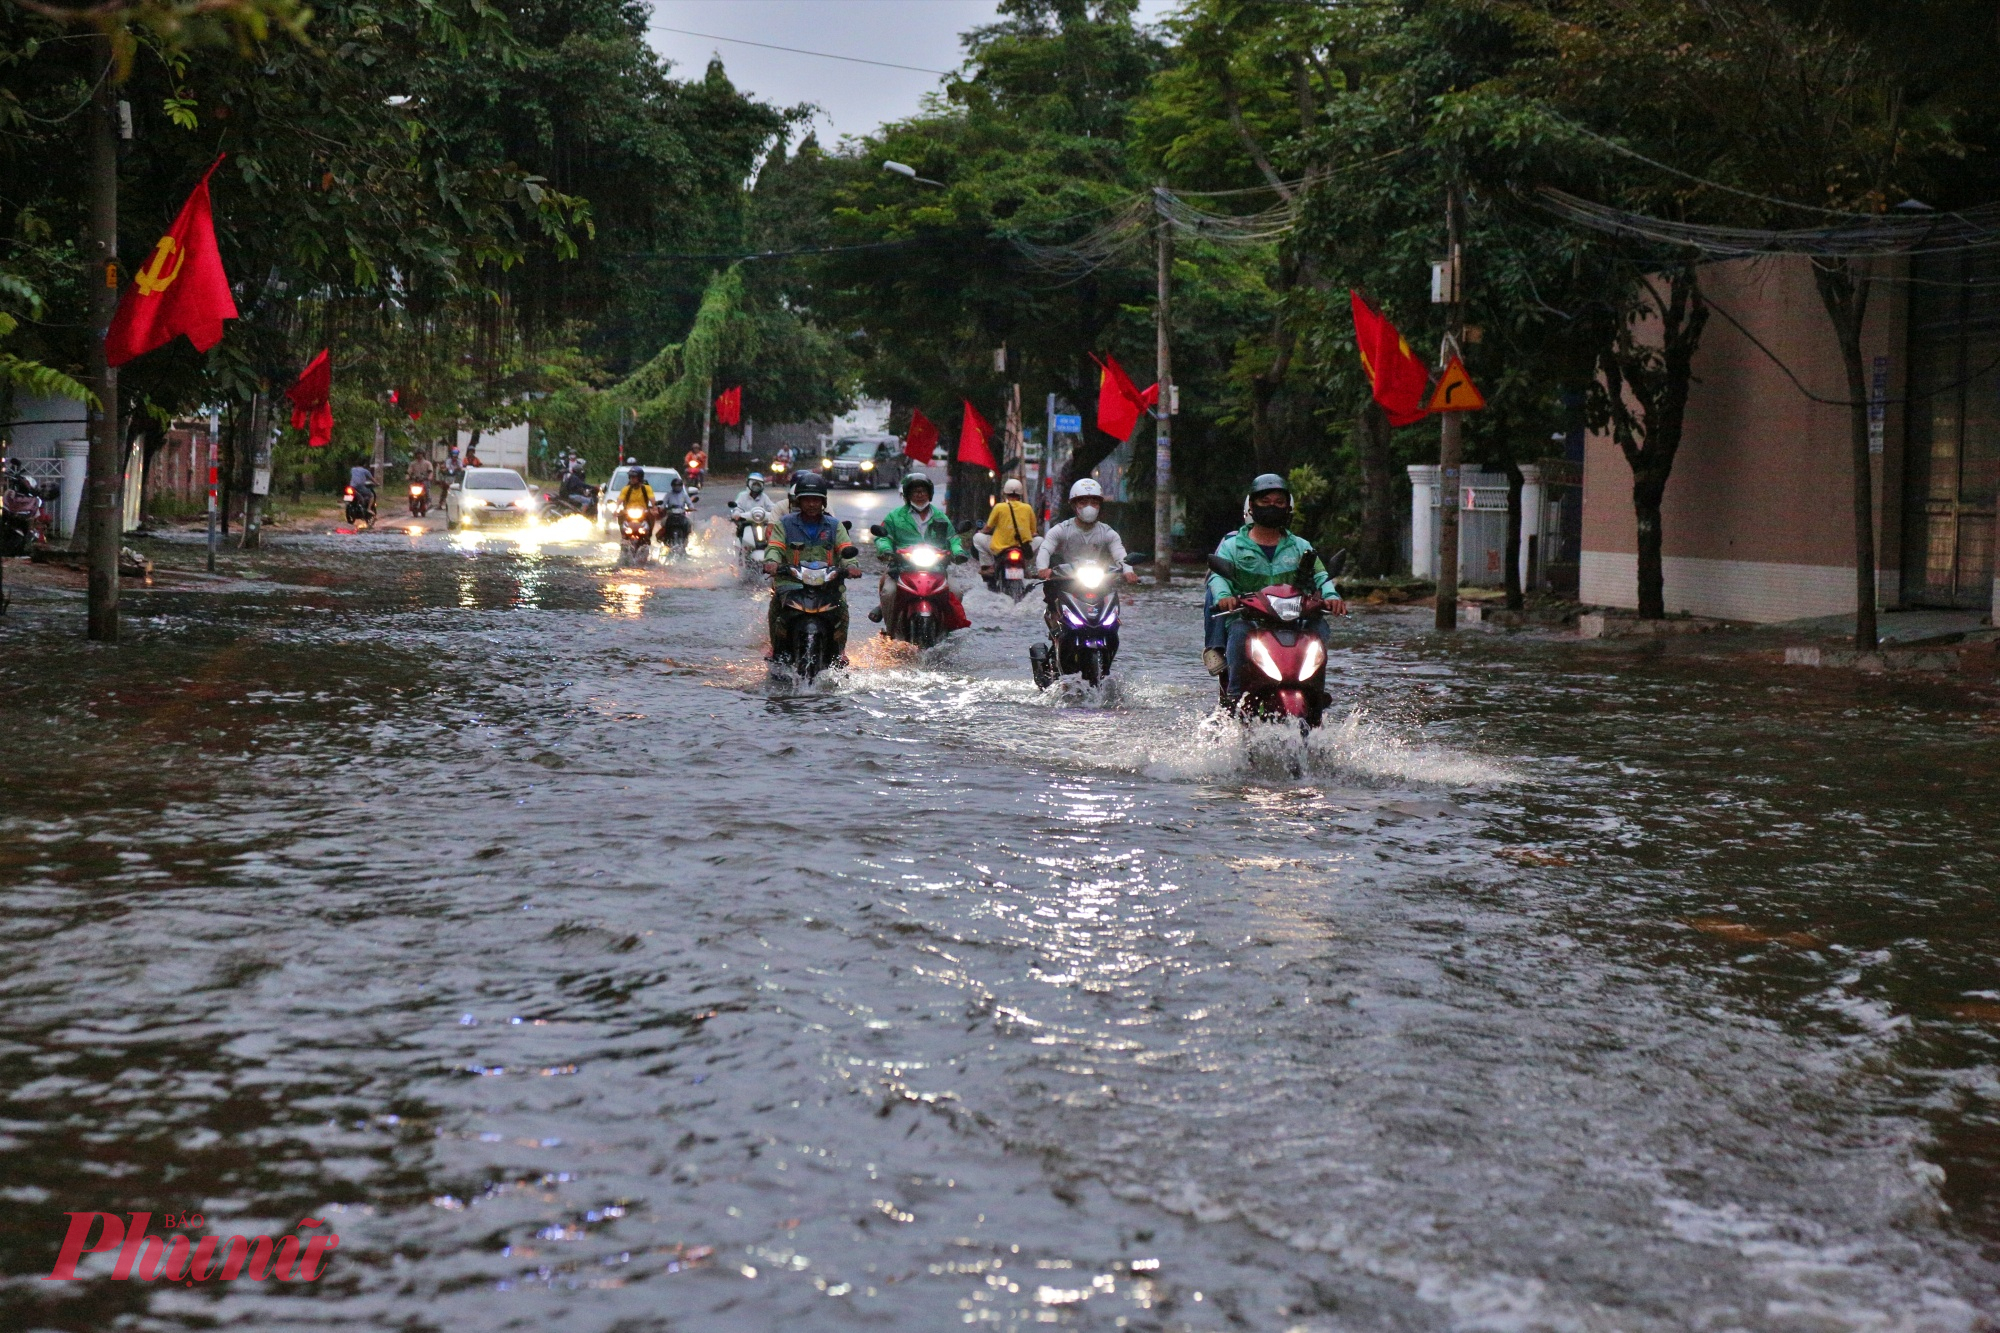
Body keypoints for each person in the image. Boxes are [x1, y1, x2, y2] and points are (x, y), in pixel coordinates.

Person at [1205, 472, 1347, 697]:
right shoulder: (1233, 547)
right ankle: (1233, 697)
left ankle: (1316, 693)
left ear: (1287, 508)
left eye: (1279, 503)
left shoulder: (1301, 547)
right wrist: (1225, 596)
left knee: (1319, 630)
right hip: (1249, 619)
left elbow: (1321, 576)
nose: (1272, 507)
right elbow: (1218, 577)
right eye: (1265, 502)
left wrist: (1332, 597)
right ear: (1252, 505)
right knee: (1239, 633)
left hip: (1294, 621)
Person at [764, 471, 861, 664]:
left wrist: (851, 566)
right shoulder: (785, 523)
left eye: (816, 500)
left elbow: (845, 548)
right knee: (776, 608)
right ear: (798, 502)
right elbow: (775, 546)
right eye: (806, 500)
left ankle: (840, 651)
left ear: (823, 502)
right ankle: (776, 648)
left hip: (828, 584)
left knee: (842, 610)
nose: (811, 504)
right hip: (792, 583)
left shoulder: (834, 525)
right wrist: (772, 562)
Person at [870, 471, 965, 628]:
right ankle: (891, 630)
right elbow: (883, 537)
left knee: (956, 591)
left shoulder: (940, 517)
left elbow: (953, 538)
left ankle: (947, 628)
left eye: (923, 491)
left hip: (936, 569)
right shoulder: (895, 516)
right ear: (907, 495)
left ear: (930, 494)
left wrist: (958, 552)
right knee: (888, 592)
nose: (920, 495)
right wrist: (885, 549)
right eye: (915, 492)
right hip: (901, 568)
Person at [1035, 478, 1138, 616]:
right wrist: (1042, 569)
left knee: (1111, 597)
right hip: (1067, 580)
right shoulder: (1061, 529)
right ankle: (1055, 617)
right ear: (1074, 505)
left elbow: (1119, 553)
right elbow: (1046, 548)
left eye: (1094, 503)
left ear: (1100, 506)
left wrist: (1128, 570)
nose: (1089, 507)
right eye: (1083, 502)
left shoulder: (1107, 532)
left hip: (1099, 580)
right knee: (1052, 589)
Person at [977, 477, 1038, 585]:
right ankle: (1029, 566)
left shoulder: (999, 507)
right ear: (1020, 494)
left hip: (1001, 549)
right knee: (1041, 540)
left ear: (1005, 494)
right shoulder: (1027, 508)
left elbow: (988, 528)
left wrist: (980, 532)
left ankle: (988, 566)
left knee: (977, 538)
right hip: (1022, 549)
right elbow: (1033, 532)